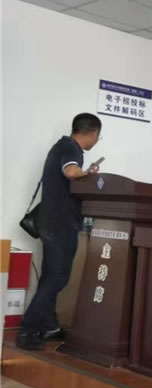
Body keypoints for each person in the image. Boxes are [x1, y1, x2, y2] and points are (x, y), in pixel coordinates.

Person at [16, 113, 102, 350]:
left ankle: (49, 326)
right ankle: (28, 330)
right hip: (60, 224)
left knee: (50, 276)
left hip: (51, 222)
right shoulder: (70, 147)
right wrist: (89, 173)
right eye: (98, 136)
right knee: (58, 277)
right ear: (93, 132)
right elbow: (71, 172)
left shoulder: (61, 146)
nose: (97, 140)